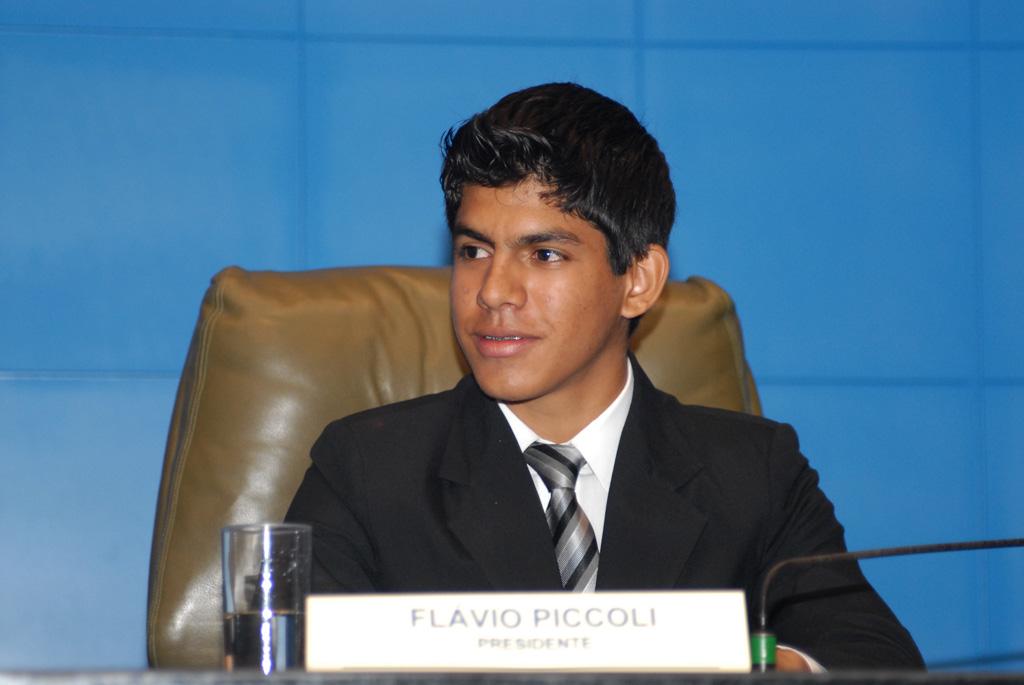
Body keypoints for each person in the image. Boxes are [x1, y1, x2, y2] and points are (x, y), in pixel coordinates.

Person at [286, 82, 923, 671]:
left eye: (544, 254)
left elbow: (872, 657)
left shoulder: (755, 473)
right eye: (473, 251)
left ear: (638, 280)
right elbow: (295, 664)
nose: (493, 292)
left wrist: (758, 666)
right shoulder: (367, 470)